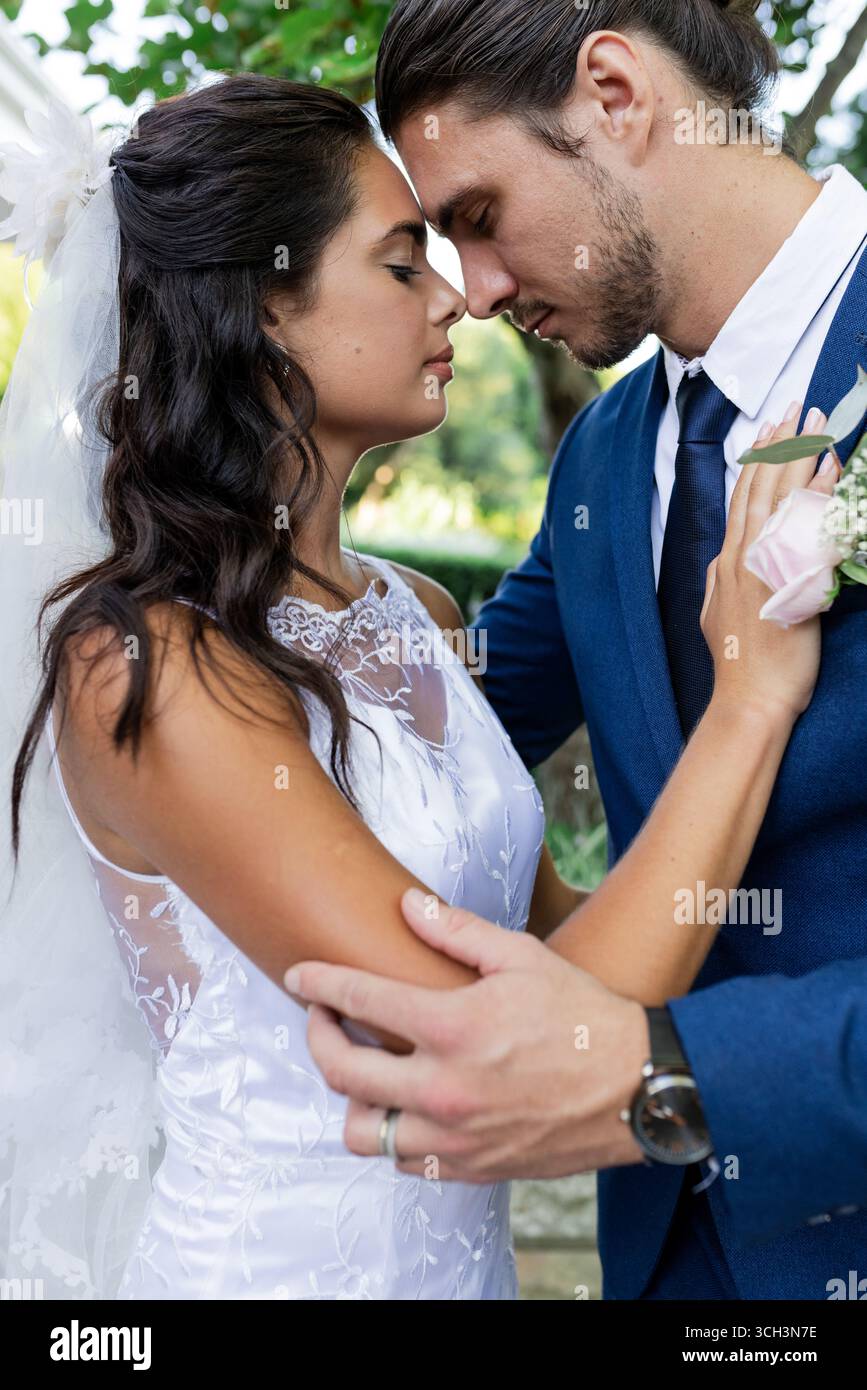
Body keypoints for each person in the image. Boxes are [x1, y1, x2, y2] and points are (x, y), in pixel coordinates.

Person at [0, 69, 839, 1302]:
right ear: (264, 310)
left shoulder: (427, 617)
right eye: (403, 263)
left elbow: (548, 939)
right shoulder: (144, 663)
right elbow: (490, 1035)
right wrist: (748, 703)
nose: (458, 294)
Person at [285, 0, 867, 1302]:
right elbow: (438, 729)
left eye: (480, 217)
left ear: (611, 92)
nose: (474, 295)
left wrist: (673, 1075)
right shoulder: (600, 459)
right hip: (664, 1262)